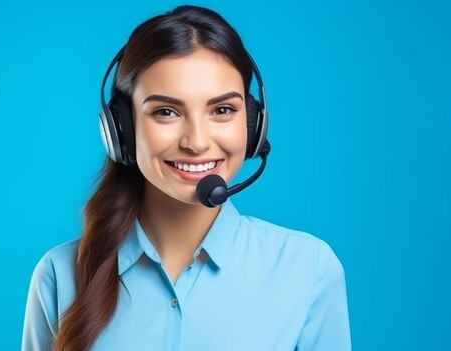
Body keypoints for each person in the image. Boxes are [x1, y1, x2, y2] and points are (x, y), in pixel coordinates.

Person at [21, 5, 351, 351]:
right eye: (166, 112)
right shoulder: (58, 275)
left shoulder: (308, 269)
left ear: (253, 124)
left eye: (222, 110)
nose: (196, 142)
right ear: (123, 130)